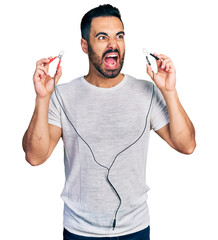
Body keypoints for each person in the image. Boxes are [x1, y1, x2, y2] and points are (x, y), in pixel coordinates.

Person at [22, 4, 196, 240]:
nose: (113, 44)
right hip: (79, 232)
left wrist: (170, 91)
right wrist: (42, 98)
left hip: (135, 229)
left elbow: (187, 145)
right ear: (85, 46)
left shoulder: (147, 92)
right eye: (102, 37)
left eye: (119, 36)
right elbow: (35, 156)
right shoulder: (62, 95)